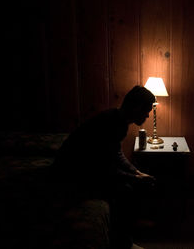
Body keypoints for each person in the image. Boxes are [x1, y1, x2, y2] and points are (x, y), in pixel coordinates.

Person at [51, 85, 157, 249]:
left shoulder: (119, 121)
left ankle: (125, 235)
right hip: (71, 172)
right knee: (125, 190)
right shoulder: (111, 124)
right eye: (146, 110)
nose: (148, 115)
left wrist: (136, 172)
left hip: (89, 167)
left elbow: (116, 154)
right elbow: (104, 168)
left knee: (133, 182)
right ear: (136, 107)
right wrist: (135, 178)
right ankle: (122, 242)